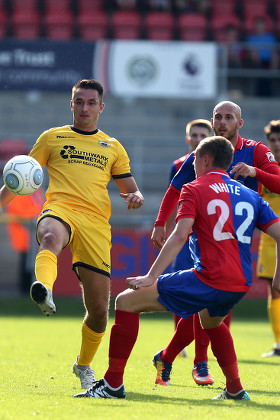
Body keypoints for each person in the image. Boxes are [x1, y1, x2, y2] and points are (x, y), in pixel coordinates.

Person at [74, 136, 280, 400]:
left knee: (126, 302)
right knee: (211, 321)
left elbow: (180, 235)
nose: (193, 163)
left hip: (209, 278)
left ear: (205, 159)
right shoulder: (251, 194)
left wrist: (151, 276)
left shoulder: (194, 188)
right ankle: (235, 388)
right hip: (240, 283)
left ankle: (112, 384)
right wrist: (277, 278)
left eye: (195, 158)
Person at [0, 79, 144, 389]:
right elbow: (20, 179)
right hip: (59, 209)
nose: (84, 107)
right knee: (49, 238)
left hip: (95, 224)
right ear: (71, 104)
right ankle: (44, 288)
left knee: (100, 312)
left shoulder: (113, 147)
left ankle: (83, 366)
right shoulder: (52, 138)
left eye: (91, 103)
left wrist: (136, 197)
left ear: (100, 107)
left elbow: (130, 190)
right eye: (79, 102)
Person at [151, 100, 280, 387]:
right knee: (216, 298)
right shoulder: (204, 153)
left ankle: (168, 356)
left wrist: (256, 172)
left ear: (239, 123)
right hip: (206, 234)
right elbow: (174, 189)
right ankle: (201, 363)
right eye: (218, 117)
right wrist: (161, 223)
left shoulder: (256, 151)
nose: (222, 122)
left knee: (212, 304)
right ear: (212, 121)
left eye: (228, 117)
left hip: (241, 236)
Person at [166, 119, 212, 361]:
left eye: (202, 134)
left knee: (216, 290)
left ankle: (213, 340)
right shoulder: (179, 165)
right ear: (187, 139)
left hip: (209, 237)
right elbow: (173, 198)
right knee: (180, 289)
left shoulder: (222, 166)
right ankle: (179, 340)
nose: (197, 138)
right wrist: (168, 227)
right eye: (193, 135)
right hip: (186, 237)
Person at [257, 120, 280, 358]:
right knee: (274, 291)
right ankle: (278, 344)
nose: (277, 144)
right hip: (270, 241)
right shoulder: (265, 170)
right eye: (273, 140)